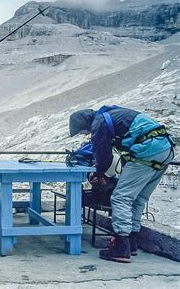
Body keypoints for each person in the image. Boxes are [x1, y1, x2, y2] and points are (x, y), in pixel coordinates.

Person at [69, 105, 175, 263]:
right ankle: (131, 243)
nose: (85, 134)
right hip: (165, 150)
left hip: (147, 150)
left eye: (82, 131)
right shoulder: (112, 115)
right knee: (138, 199)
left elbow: (103, 156)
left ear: (84, 123)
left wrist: (100, 174)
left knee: (120, 198)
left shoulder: (99, 123)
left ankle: (121, 246)